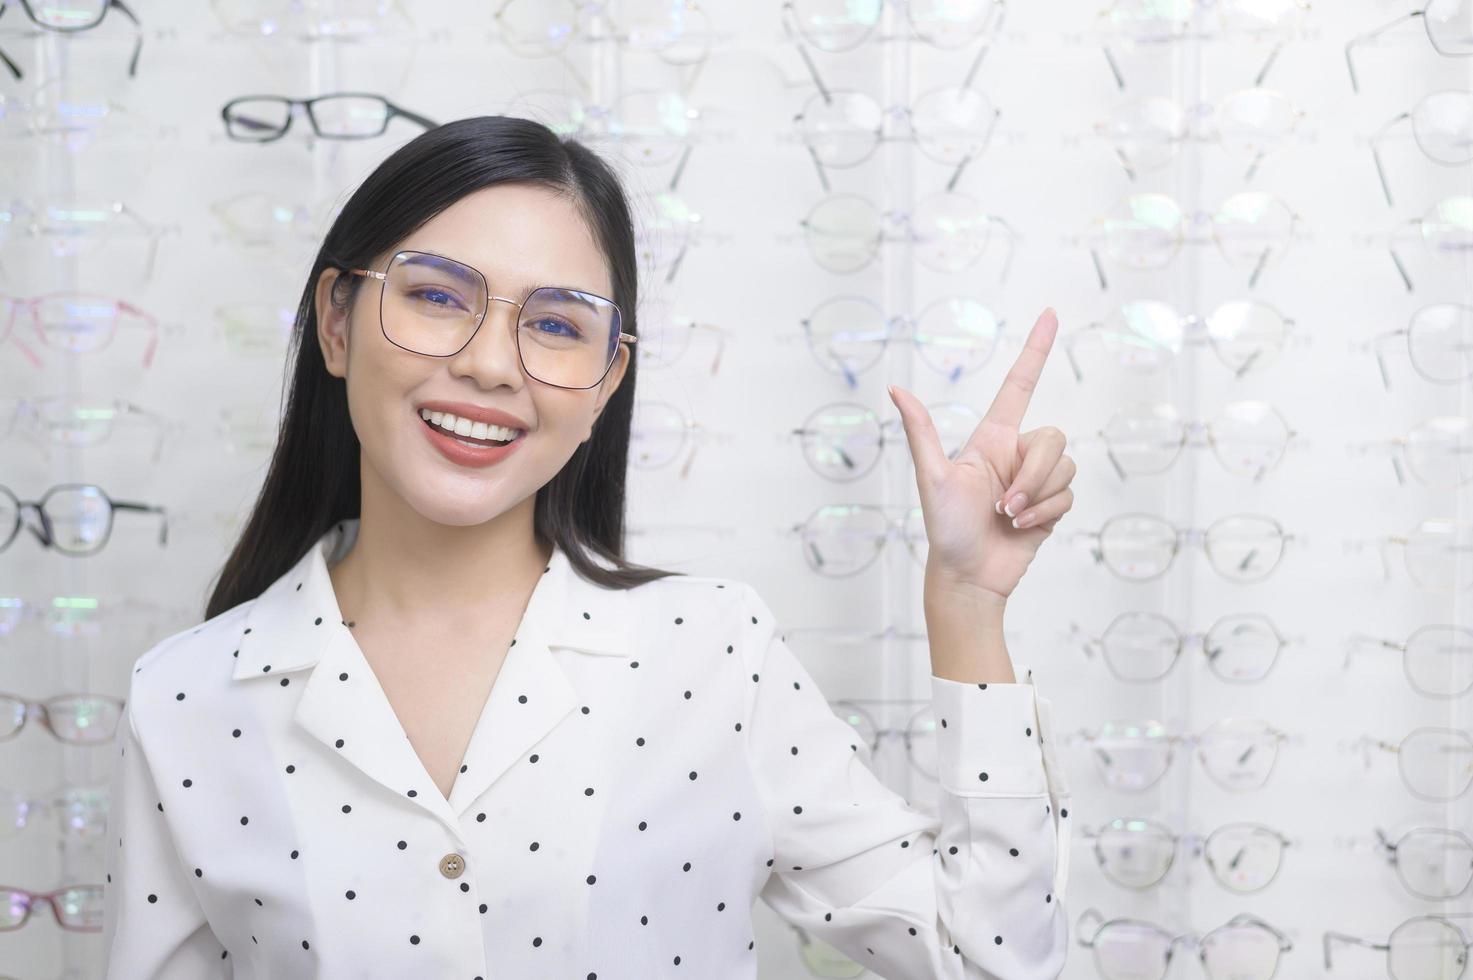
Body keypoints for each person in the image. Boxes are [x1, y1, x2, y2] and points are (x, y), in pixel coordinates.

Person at [100, 114, 1077, 979]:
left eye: (558, 324)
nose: (488, 363)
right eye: (439, 296)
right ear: (337, 321)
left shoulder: (711, 651)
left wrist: (968, 605)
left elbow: (987, 957)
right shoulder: (187, 696)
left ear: (608, 382)